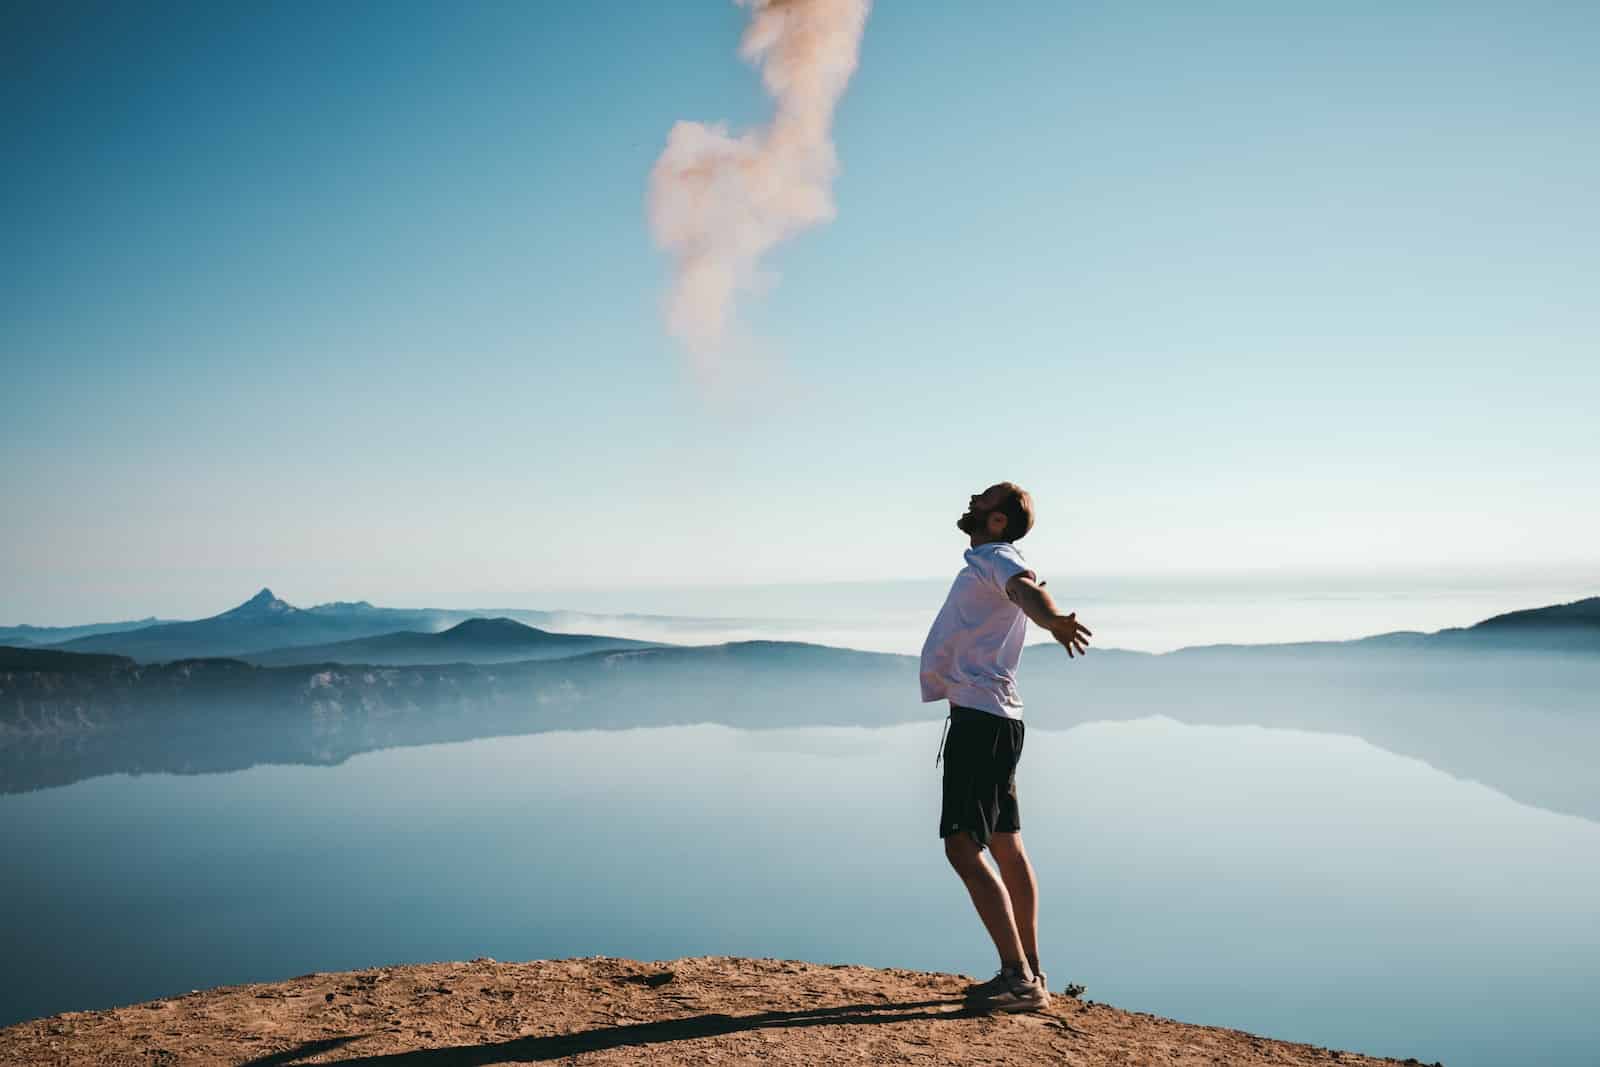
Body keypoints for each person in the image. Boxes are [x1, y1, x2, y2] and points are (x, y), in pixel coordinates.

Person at [920, 481, 1091, 1013]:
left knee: (962, 846)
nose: (971, 500)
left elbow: (1027, 590)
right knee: (1004, 841)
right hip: (995, 717)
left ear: (997, 521)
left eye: (983, 499)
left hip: (980, 720)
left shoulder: (997, 557)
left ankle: (1018, 979)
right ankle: (1030, 970)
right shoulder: (991, 558)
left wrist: (1052, 619)